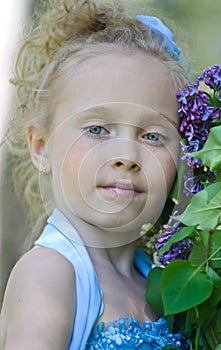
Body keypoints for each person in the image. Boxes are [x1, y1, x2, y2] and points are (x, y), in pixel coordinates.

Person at [0, 0, 192, 348]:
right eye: (98, 129)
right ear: (41, 146)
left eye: (152, 136)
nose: (126, 157)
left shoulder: (161, 283)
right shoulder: (51, 273)